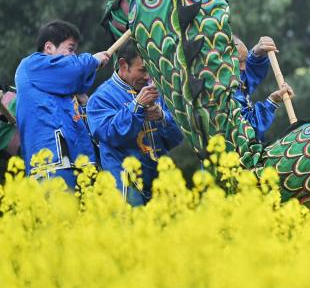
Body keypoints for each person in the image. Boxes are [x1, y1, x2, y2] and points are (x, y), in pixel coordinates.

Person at [87, 39, 184, 206]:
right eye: (143, 70)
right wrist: (136, 106)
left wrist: (162, 117)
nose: (148, 77)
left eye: (151, 69)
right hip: (125, 186)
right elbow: (110, 134)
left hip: (161, 187)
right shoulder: (101, 98)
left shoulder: (157, 91)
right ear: (123, 65)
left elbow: (177, 138)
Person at [14, 20, 110, 186]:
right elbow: (73, 68)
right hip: (51, 163)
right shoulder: (31, 65)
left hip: (79, 166)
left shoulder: (66, 87)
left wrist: (86, 105)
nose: (74, 56)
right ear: (49, 47)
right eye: (70, 49)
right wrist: (93, 60)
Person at [232, 35, 293, 141]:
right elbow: (249, 131)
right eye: (240, 61)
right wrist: (271, 102)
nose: (244, 67)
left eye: (245, 61)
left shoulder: (233, 78)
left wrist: (257, 52)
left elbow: (247, 73)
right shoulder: (222, 94)